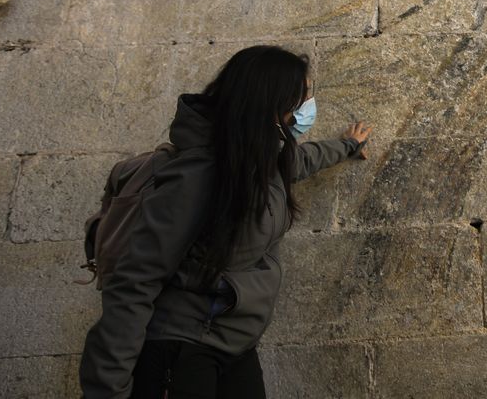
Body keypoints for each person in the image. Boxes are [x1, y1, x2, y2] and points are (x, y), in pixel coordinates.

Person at [79, 45, 372, 399]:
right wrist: (106, 391)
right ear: (269, 105)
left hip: (233, 345)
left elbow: (302, 160)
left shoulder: (259, 159)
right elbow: (134, 282)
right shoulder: (198, 177)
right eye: (300, 101)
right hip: (181, 347)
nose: (305, 112)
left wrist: (347, 146)